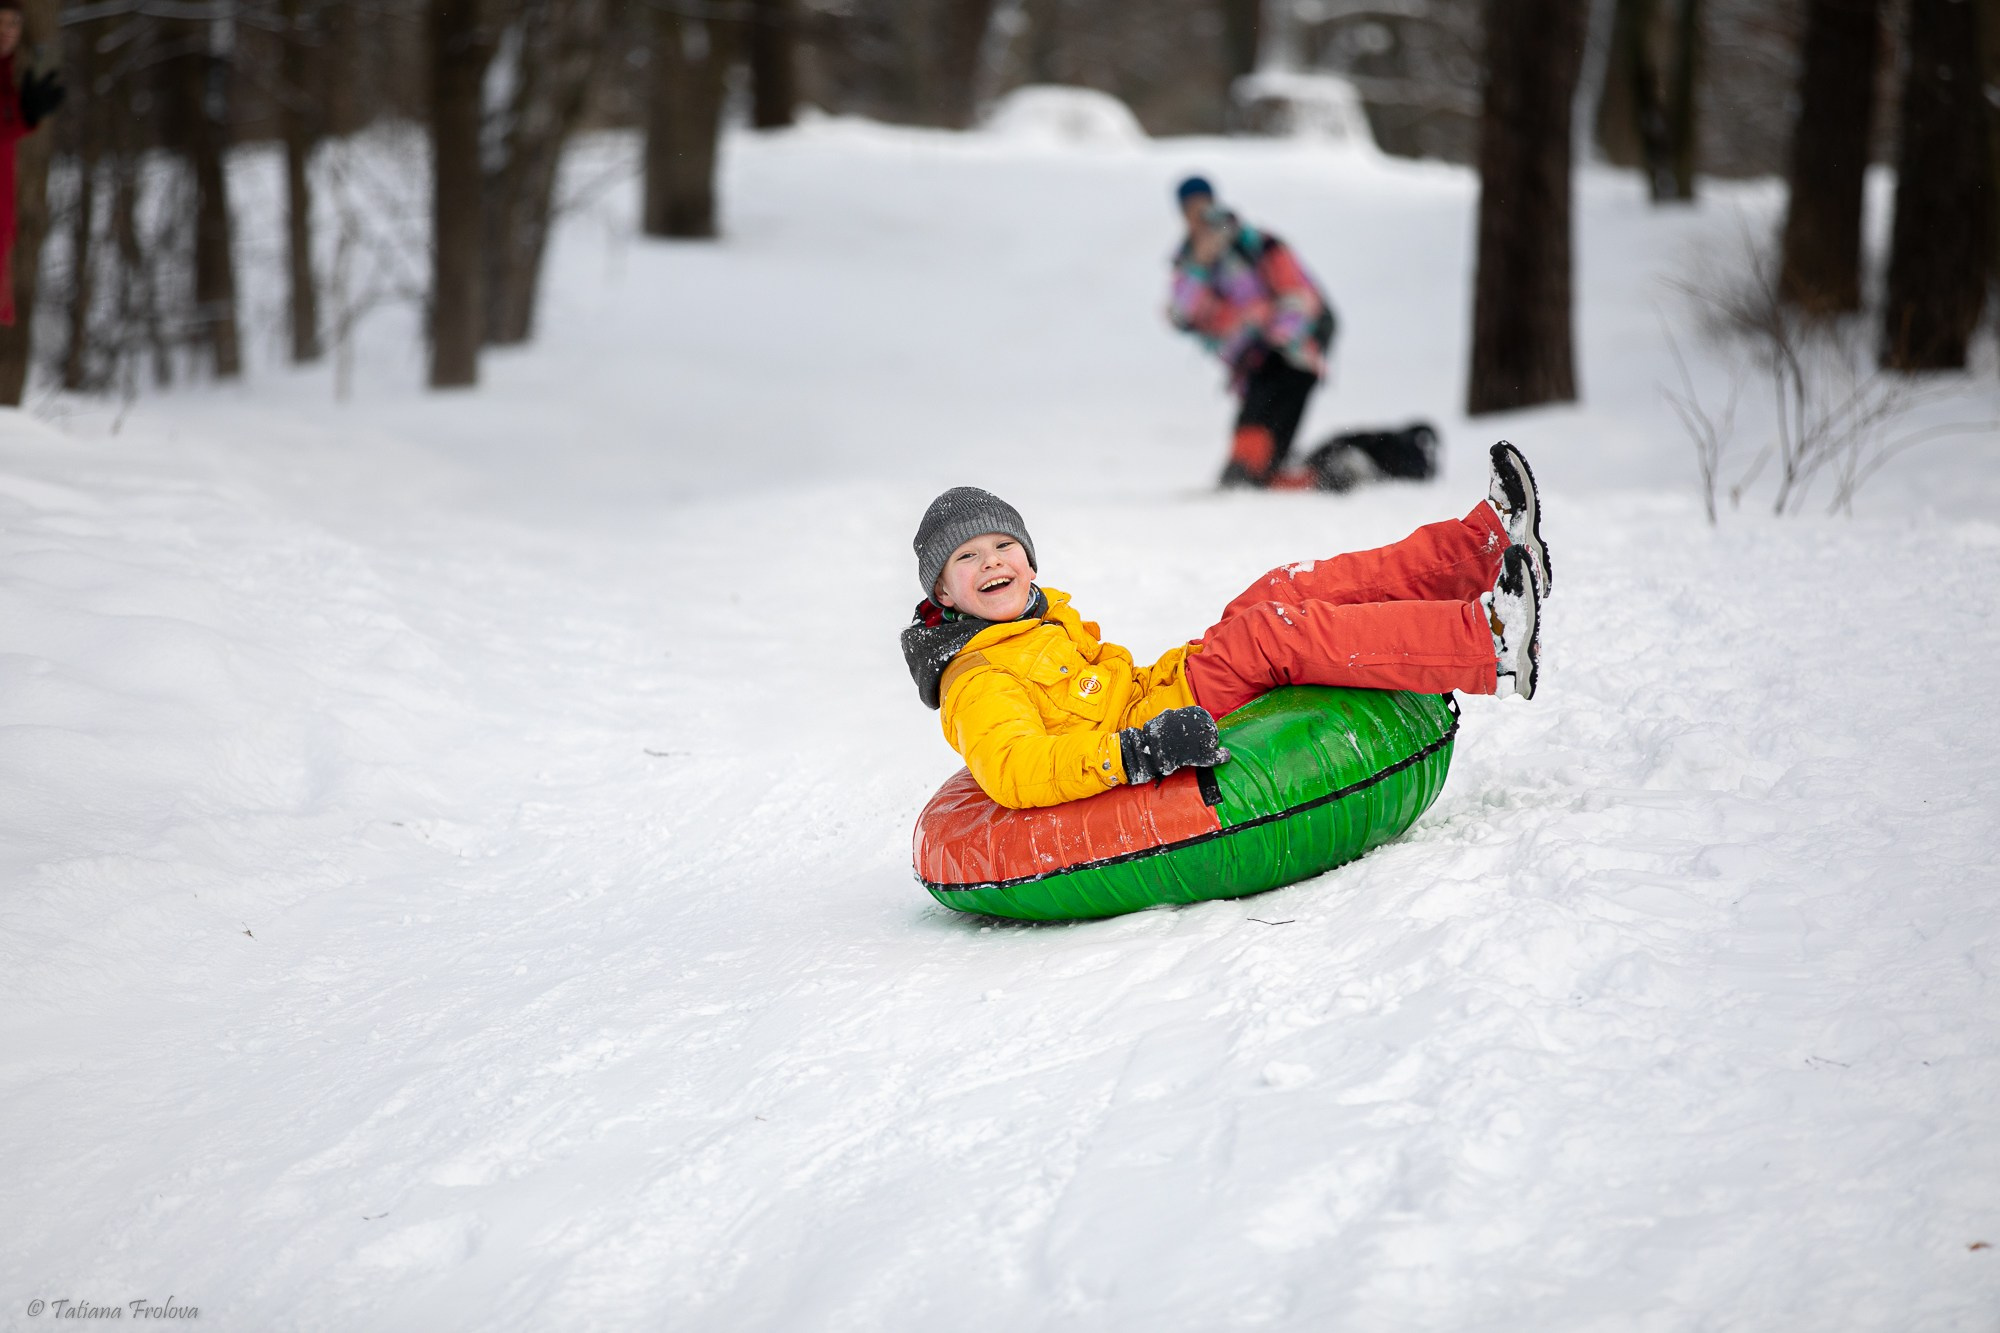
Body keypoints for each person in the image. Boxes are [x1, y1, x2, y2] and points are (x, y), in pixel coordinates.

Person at [901, 443, 1553, 810]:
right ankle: (1489, 641)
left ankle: (1486, 548)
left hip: (1165, 683)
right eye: (966, 557)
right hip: (1155, 724)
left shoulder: (1034, 619)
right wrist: (1136, 751)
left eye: (1002, 546)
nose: (991, 562)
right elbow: (1018, 767)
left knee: (1282, 589)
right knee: (1270, 632)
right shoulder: (977, 676)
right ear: (943, 591)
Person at [1166, 175, 1336, 489]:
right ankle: (1265, 476)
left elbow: (1299, 295)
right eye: (1190, 211)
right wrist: (1200, 264)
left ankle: (1285, 476)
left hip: (1291, 356)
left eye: (1203, 208)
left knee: (1264, 432)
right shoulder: (1189, 260)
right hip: (1250, 365)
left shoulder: (1256, 243)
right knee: (1255, 437)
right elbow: (1182, 313)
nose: (1198, 218)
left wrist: (1277, 340)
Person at [0, 0, 63, 327]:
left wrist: (24, 110)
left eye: (14, 24)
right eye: (0, 22)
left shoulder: (9, 72)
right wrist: (21, 114)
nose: (6, 32)